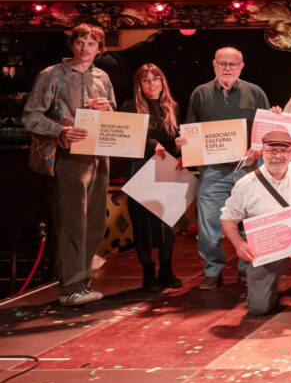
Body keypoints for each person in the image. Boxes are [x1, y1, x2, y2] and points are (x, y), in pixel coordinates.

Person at [22, 24, 117, 306]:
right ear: (72, 44)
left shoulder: (102, 76)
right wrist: (60, 131)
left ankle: (83, 282)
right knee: (73, 220)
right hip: (70, 154)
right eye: (80, 42)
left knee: (96, 221)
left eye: (91, 43)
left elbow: (111, 111)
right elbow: (30, 116)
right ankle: (71, 286)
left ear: (100, 49)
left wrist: (107, 109)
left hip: (100, 152)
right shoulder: (53, 75)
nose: (85, 48)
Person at [181, 46, 269, 291]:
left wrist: (259, 148)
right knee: (209, 223)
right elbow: (192, 130)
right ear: (214, 65)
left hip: (249, 171)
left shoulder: (256, 92)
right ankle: (213, 270)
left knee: (251, 223)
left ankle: (246, 269)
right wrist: (185, 144)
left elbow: (266, 131)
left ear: (242, 66)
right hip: (213, 172)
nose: (228, 68)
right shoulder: (200, 94)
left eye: (233, 64)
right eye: (223, 63)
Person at [219, 130, 291, 316]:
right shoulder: (246, 184)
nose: (277, 156)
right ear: (263, 151)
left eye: (283, 151)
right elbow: (228, 218)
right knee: (259, 308)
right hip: (266, 247)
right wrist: (239, 244)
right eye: (272, 150)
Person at [121, 64, 183, 292]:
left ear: (162, 81)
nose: (152, 83)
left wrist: (183, 152)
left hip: (166, 168)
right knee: (143, 225)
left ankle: (166, 271)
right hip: (140, 168)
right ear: (139, 85)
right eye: (146, 80)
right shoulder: (130, 108)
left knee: (167, 224)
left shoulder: (173, 107)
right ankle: (148, 273)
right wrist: (150, 144)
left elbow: (180, 137)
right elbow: (124, 140)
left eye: (156, 78)